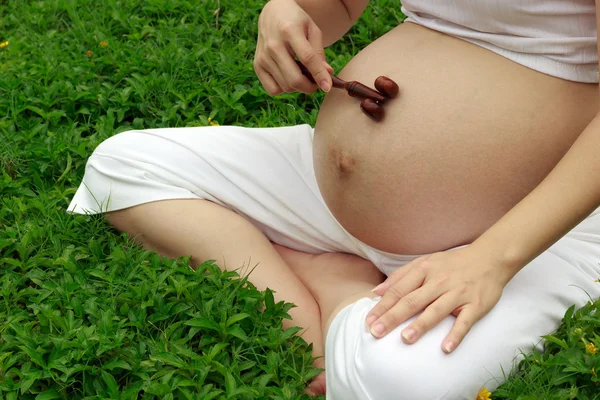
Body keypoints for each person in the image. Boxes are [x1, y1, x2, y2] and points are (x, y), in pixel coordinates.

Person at [68, 0, 600, 398]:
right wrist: (288, 11)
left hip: (526, 232)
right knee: (121, 166)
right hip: (325, 195)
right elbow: (339, 4)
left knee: (397, 382)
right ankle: (328, 288)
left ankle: (339, 291)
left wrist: (490, 259)